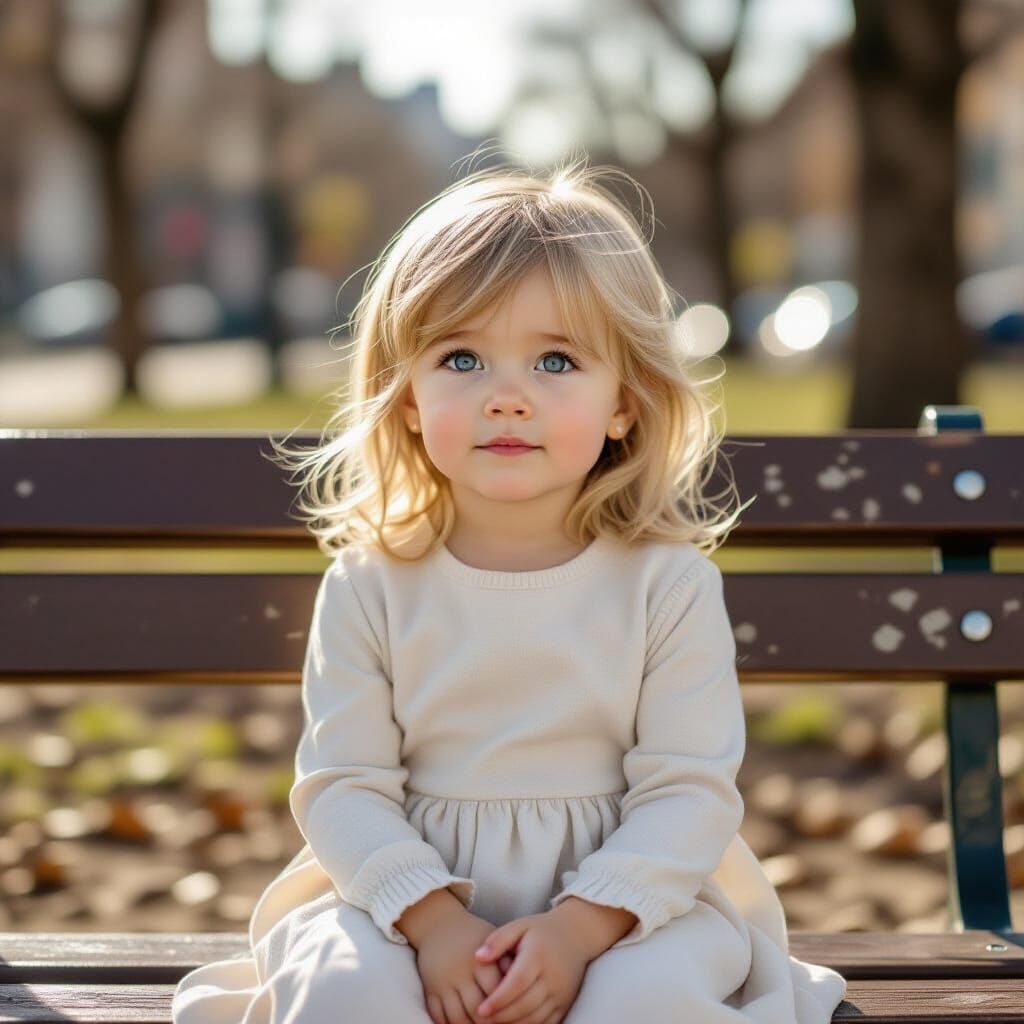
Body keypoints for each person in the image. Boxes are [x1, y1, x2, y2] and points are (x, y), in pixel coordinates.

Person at [171, 156, 848, 1024]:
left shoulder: (667, 586)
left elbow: (688, 792)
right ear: (407, 396)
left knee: (643, 1003)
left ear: (625, 403)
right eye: (461, 357)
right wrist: (435, 924)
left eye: (557, 361)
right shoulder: (372, 585)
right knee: (346, 990)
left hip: (630, 904)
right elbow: (343, 787)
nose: (507, 399)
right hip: (400, 900)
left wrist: (577, 931)